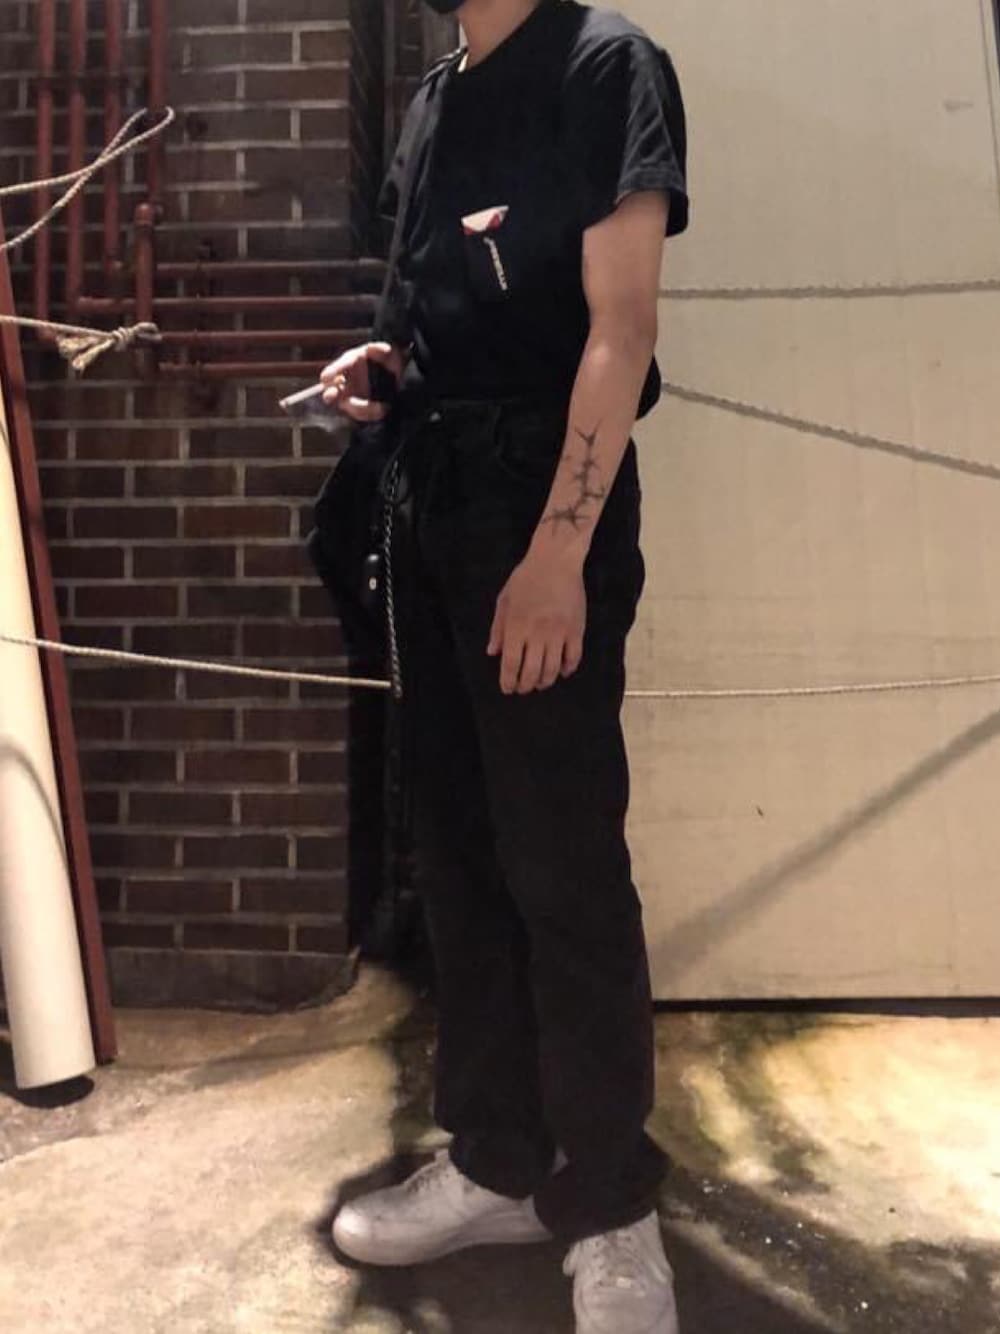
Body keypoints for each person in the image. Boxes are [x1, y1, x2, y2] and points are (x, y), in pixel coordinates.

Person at [321, 2, 689, 1330]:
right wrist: (389, 368)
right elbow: (453, 314)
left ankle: (610, 1201)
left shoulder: (607, 65)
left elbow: (621, 328)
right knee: (462, 854)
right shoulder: (435, 97)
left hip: (543, 513)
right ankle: (497, 1160)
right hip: (433, 505)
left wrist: (558, 555)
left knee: (562, 860)